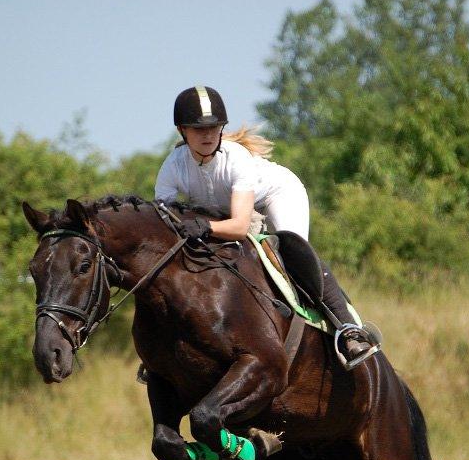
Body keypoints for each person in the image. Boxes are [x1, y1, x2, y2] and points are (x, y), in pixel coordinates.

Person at [154, 85, 378, 370]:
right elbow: (163, 222)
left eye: (214, 127)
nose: (208, 135)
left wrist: (205, 226)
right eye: (199, 129)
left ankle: (348, 328)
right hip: (224, 210)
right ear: (182, 131)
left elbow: (237, 227)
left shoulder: (236, 160)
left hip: (276, 195)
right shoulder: (173, 166)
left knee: (293, 251)